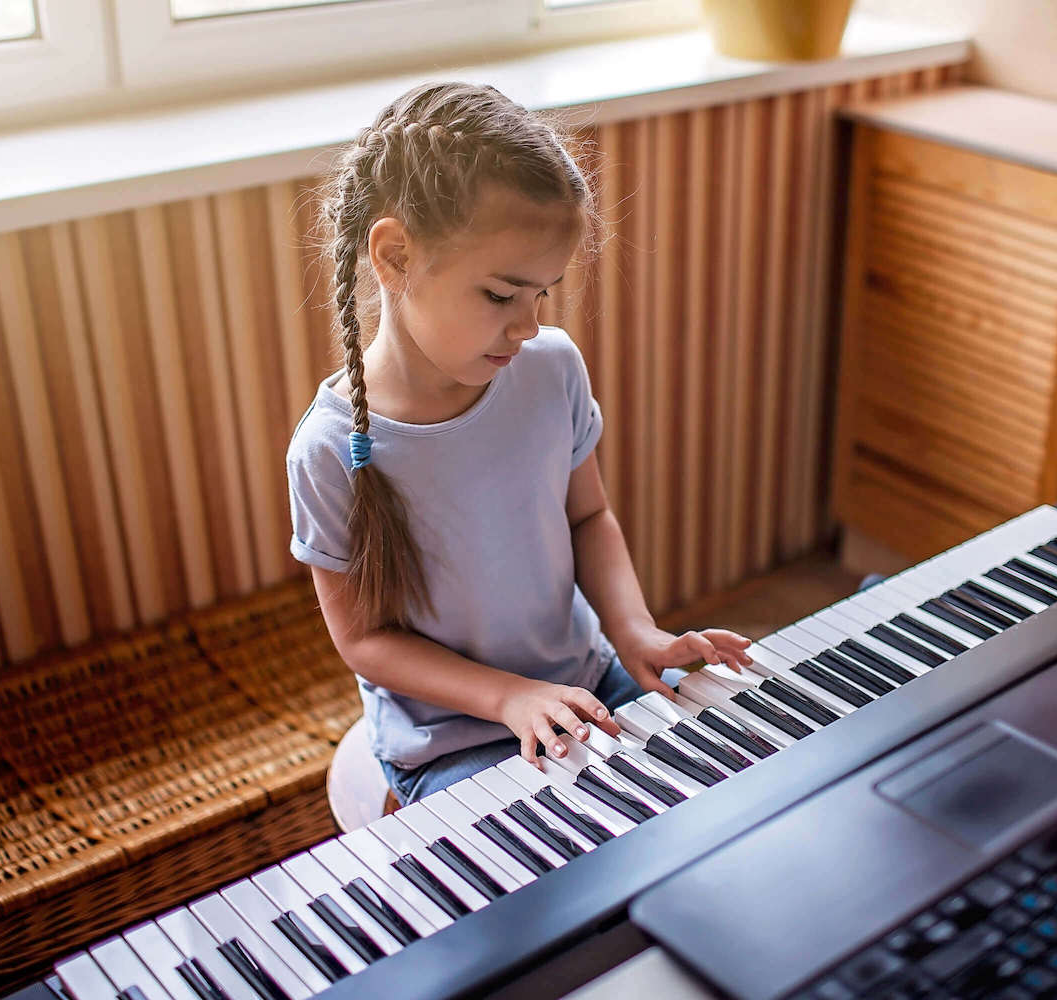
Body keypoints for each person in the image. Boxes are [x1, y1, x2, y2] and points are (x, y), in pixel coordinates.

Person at [286, 82, 754, 807]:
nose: (527, 325)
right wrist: (510, 699)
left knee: (737, 772)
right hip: (455, 736)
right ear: (395, 257)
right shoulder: (329, 450)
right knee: (559, 876)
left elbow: (588, 518)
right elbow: (366, 642)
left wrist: (635, 631)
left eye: (542, 294)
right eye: (501, 296)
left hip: (587, 680)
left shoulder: (550, 368)